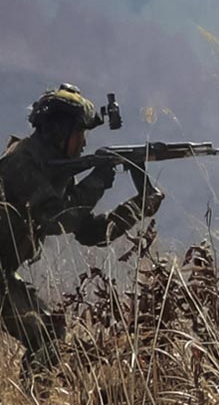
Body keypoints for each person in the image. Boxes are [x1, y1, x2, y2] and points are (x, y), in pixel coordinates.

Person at [0, 86, 162, 374]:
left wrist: (139, 207)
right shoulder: (20, 161)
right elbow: (58, 219)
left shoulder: (55, 172)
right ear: (60, 132)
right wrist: (98, 179)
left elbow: (91, 232)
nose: (84, 143)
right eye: (80, 134)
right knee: (45, 338)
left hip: (3, 274)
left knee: (49, 336)